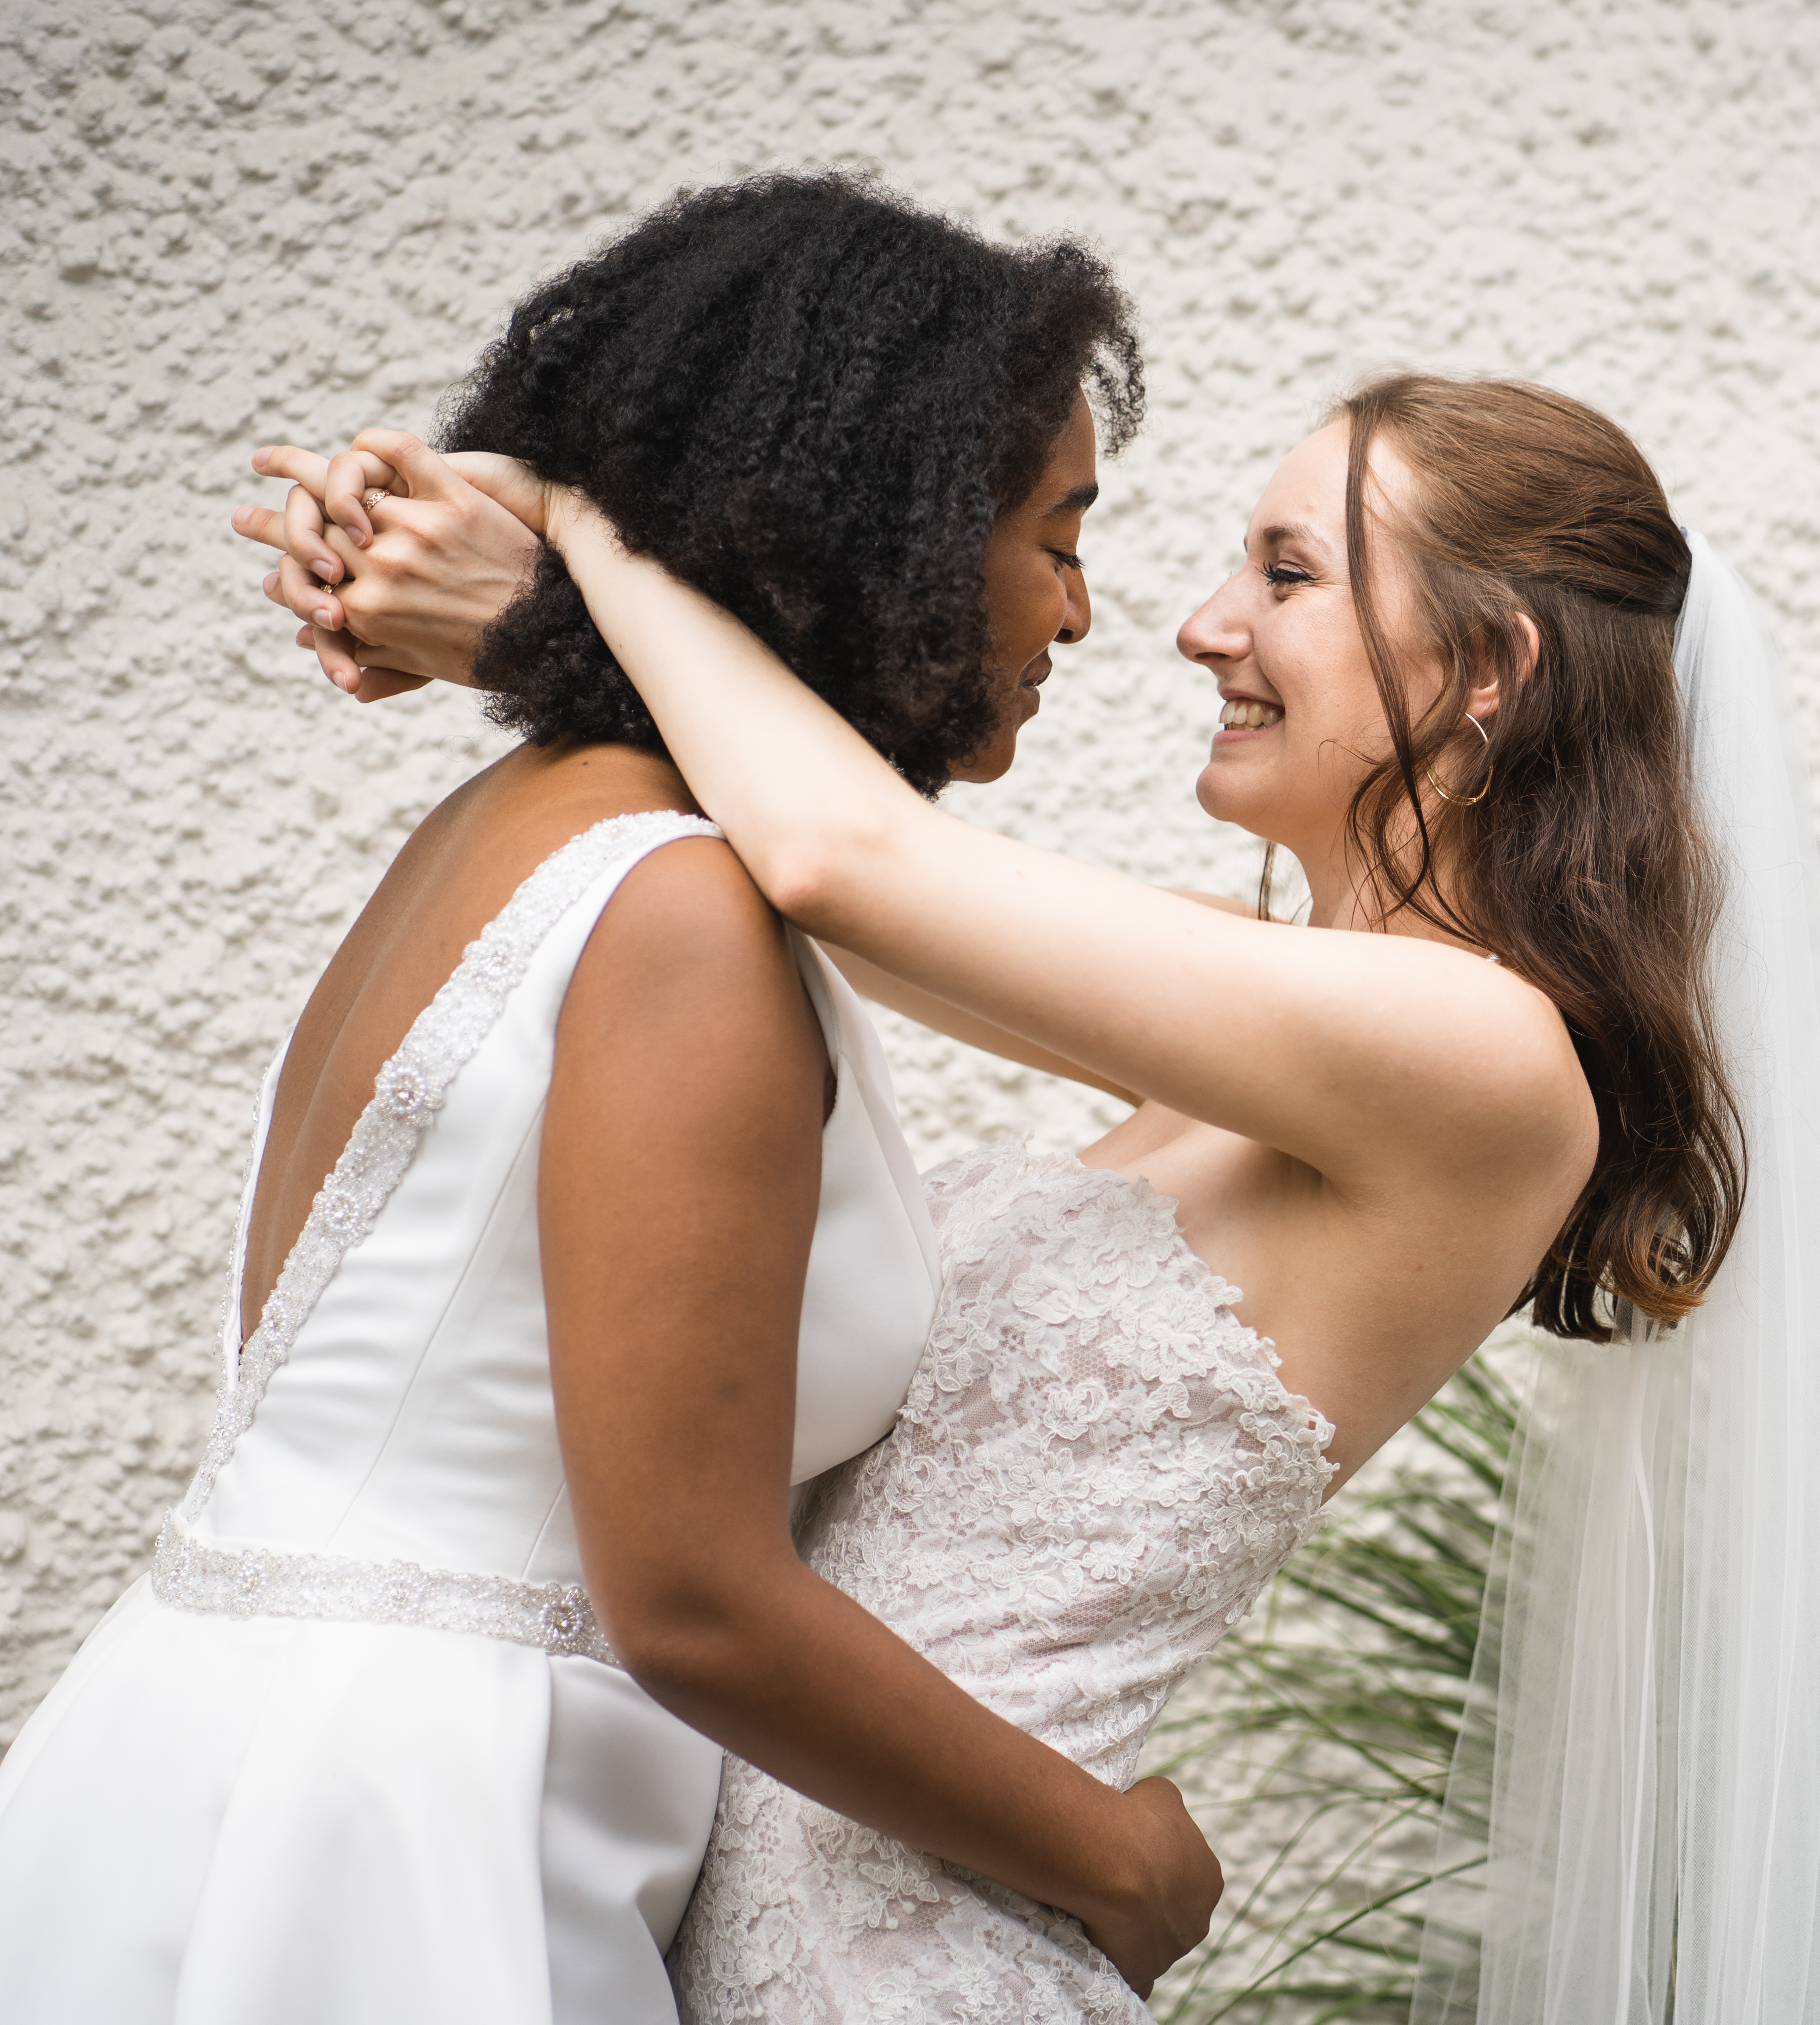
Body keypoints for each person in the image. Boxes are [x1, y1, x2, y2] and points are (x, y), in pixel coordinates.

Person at [246, 372, 1820, 2024]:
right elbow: (795, 861)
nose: (1198, 624)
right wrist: (485, 591)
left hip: (918, 1971)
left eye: (1286, 573)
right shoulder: (1266, 1010)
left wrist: (581, 514)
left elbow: (840, 862)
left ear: (1486, 672)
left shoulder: (1486, 1062)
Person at [0, 174, 1226, 2024]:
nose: (1083, 607)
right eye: (1058, 532)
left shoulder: (536, 830)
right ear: (888, 525)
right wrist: (1111, 1854)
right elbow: (691, 1597)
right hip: (412, 1851)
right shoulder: (681, 916)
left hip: (225, 1765)